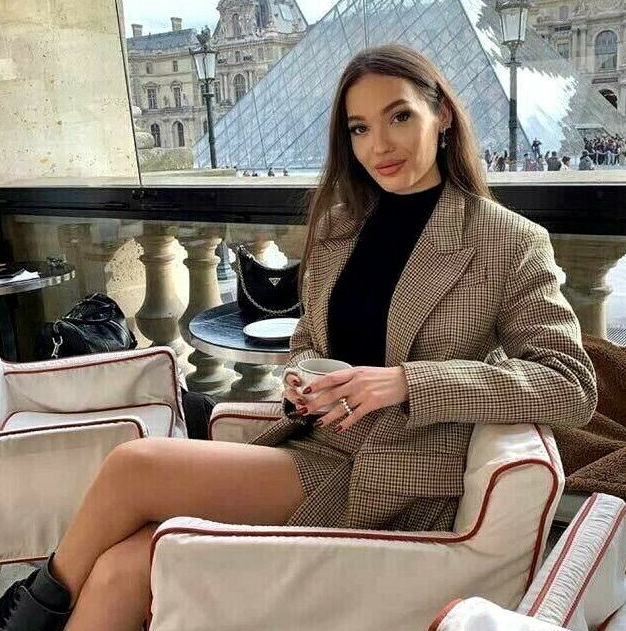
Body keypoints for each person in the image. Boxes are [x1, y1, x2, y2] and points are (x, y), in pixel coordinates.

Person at [0, 44, 597, 631]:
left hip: (395, 476)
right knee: (124, 567)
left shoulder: (506, 240)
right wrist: (301, 382)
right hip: (315, 449)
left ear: (441, 116)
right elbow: (309, 340)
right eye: (359, 128)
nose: (379, 145)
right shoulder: (341, 226)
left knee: (134, 466)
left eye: (399, 116)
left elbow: (571, 385)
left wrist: (405, 383)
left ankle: (27, 611)